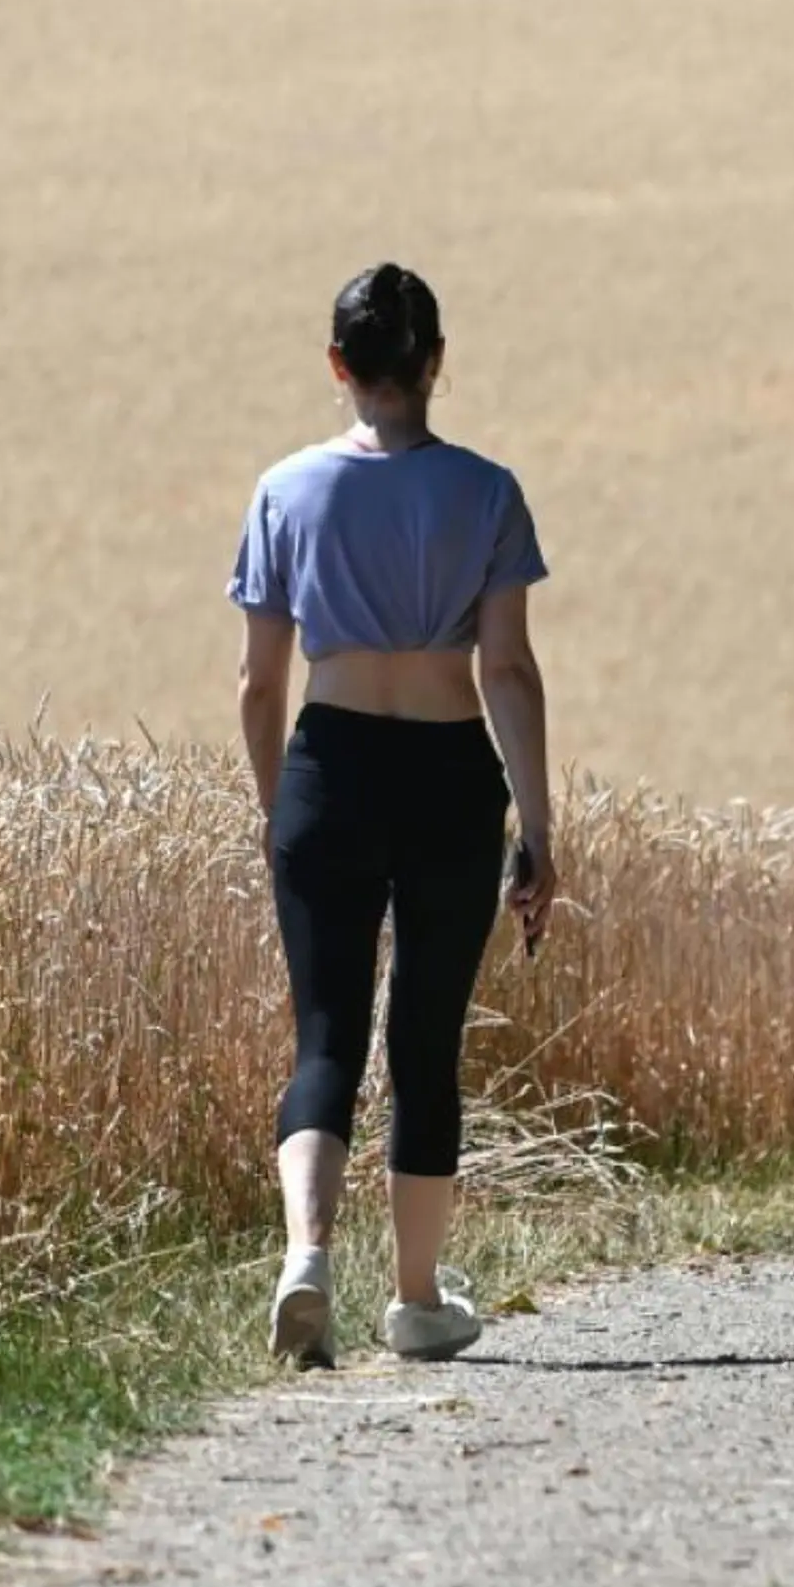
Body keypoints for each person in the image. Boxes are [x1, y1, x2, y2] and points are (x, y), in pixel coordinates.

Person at [225, 262, 557, 1368]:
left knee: (325, 1036)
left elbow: (257, 684)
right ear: (434, 366)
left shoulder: (284, 491)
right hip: (450, 776)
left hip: (328, 766)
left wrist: (284, 809)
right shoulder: (487, 492)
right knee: (423, 1040)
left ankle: (305, 1259)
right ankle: (417, 1299)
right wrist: (538, 829)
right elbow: (507, 669)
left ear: (338, 367)